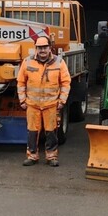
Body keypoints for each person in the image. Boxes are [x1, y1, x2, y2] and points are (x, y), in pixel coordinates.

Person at [17, 35, 71, 167]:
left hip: (51, 105)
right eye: (39, 47)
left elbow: (65, 82)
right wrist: (22, 100)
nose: (42, 50)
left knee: (51, 131)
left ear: (49, 48)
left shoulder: (59, 62)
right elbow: (21, 81)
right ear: (36, 48)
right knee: (32, 132)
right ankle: (32, 156)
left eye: (45, 47)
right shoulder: (27, 62)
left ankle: (51, 157)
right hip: (32, 105)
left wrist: (62, 101)